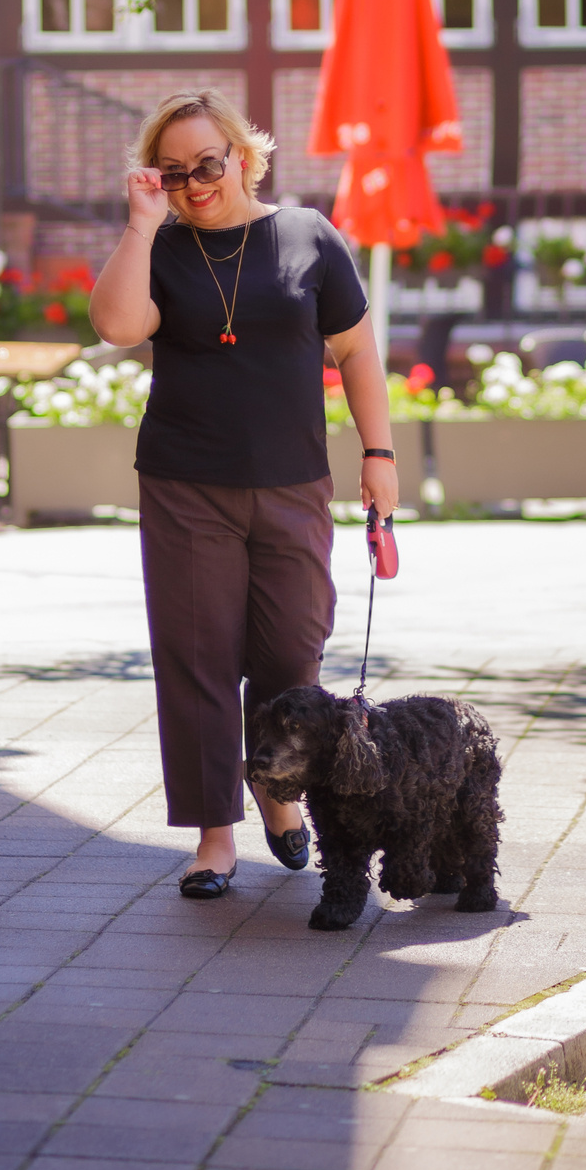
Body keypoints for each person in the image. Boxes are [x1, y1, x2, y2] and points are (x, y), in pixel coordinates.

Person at [88, 89, 398, 897]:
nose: (195, 183)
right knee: (196, 659)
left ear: (241, 153)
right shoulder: (159, 246)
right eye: (174, 171)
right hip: (186, 484)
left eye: (207, 164)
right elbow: (117, 326)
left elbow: (357, 354)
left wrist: (379, 452)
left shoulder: (307, 235)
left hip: (294, 483)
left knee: (290, 655)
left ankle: (276, 792)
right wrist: (139, 223)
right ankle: (213, 837)